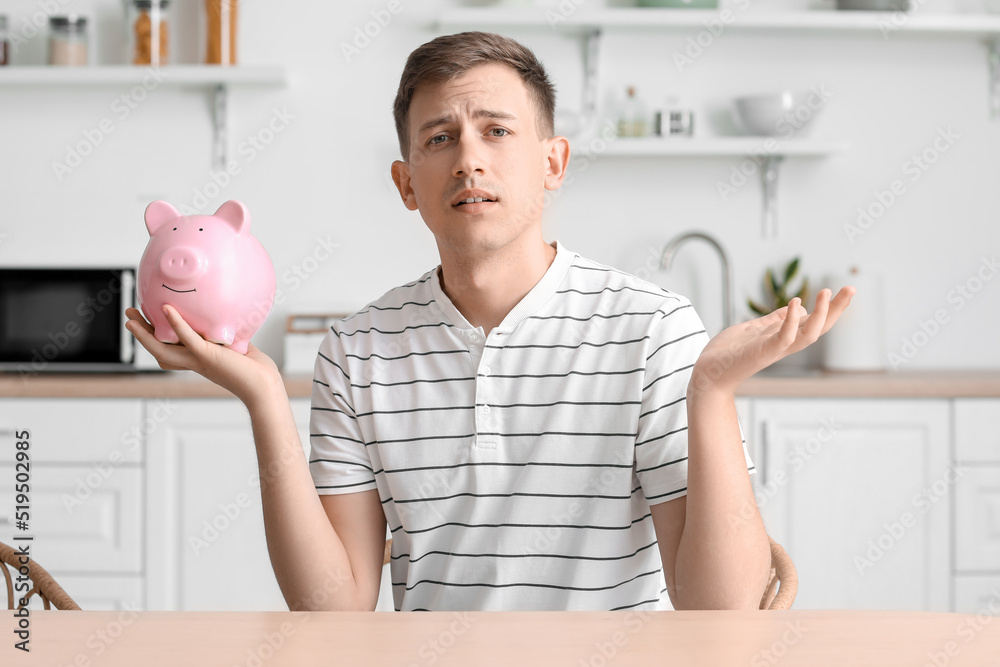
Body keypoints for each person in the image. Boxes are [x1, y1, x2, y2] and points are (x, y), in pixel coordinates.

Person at [126, 31, 855, 613]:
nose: (469, 158)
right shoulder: (356, 352)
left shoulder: (655, 330)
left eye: (497, 130)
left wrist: (713, 393)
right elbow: (333, 609)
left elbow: (719, 610)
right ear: (407, 182)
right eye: (439, 138)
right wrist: (261, 396)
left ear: (553, 161)